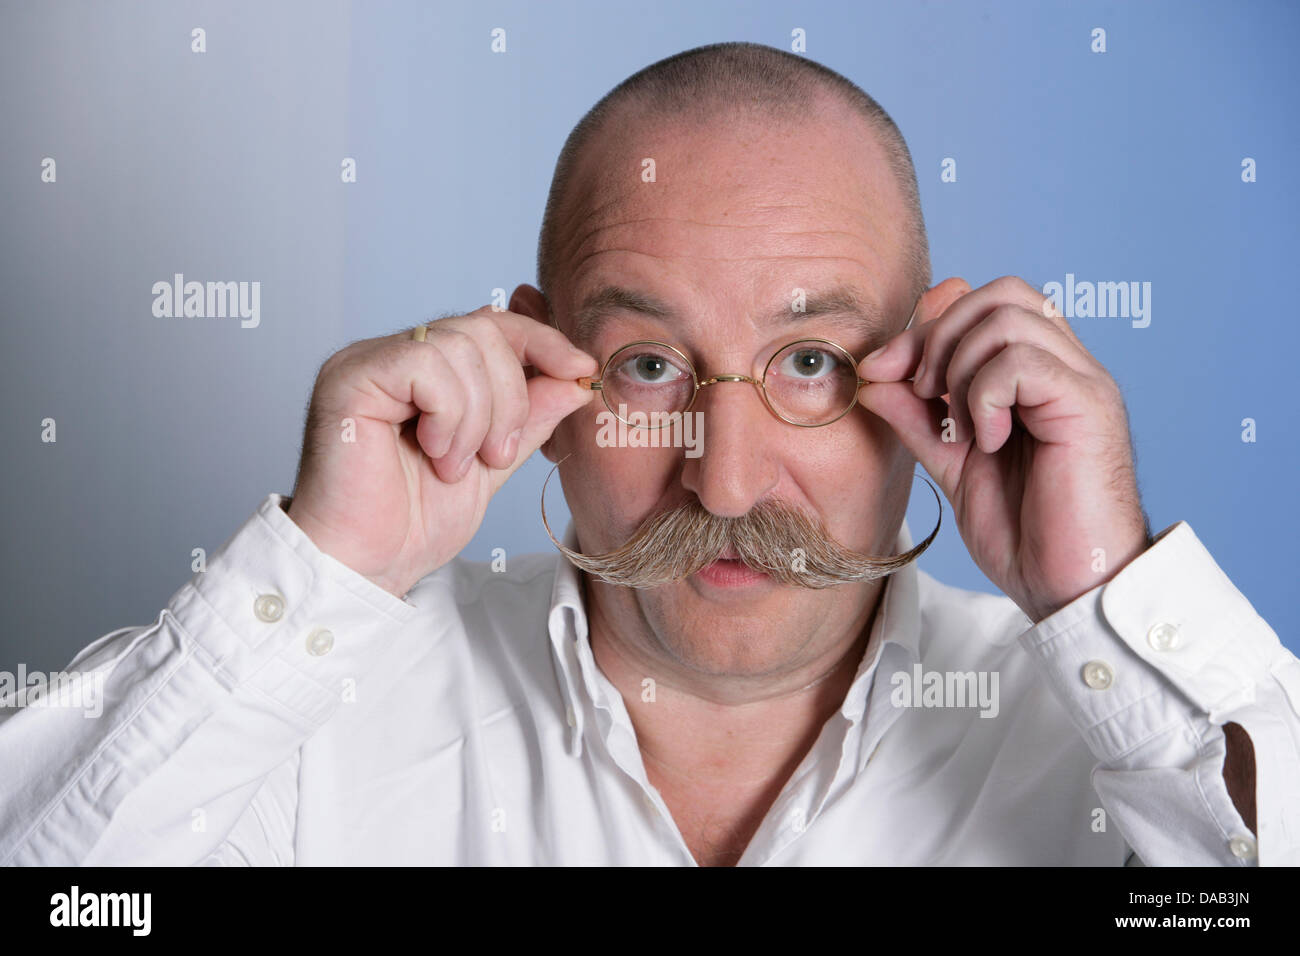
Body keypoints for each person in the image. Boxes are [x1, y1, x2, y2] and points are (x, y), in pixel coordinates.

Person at [2, 42, 1296, 867]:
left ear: (929, 375)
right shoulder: (315, 723)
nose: (724, 484)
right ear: (535, 364)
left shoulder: (1122, 767)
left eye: (810, 367)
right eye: (648, 367)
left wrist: (1108, 593)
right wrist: (322, 563)